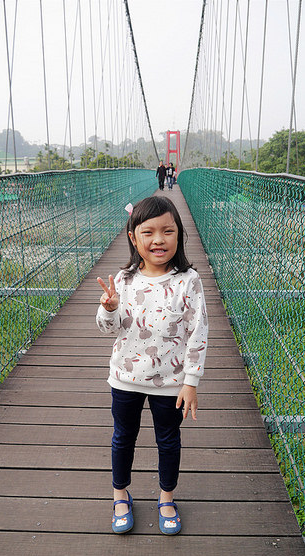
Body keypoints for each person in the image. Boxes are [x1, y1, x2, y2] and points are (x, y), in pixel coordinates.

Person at [96, 195, 208, 535]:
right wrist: (110, 308)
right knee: (123, 437)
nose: (158, 240)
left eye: (167, 231)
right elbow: (108, 331)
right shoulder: (124, 280)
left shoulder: (188, 280)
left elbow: (198, 331)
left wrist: (191, 381)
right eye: (148, 232)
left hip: (171, 382)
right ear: (133, 237)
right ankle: (120, 495)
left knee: (169, 440)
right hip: (125, 378)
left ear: (179, 236)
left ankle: (166, 497)